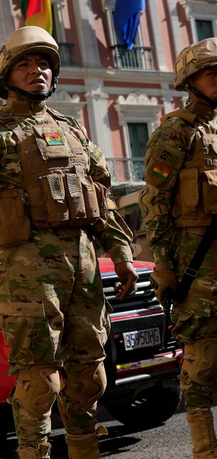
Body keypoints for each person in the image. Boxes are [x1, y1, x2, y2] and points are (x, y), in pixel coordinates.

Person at [0, 26, 137, 459]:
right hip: (27, 270)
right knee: (39, 379)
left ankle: (84, 450)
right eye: (25, 64)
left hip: (82, 265)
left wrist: (121, 253)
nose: (37, 71)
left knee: (91, 375)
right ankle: (34, 451)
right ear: (7, 74)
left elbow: (103, 197)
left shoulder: (73, 130)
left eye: (43, 63)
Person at [141, 37, 217, 459]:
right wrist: (166, 268)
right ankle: (206, 450)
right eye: (212, 73)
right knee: (202, 364)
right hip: (197, 268)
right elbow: (155, 203)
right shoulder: (177, 131)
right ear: (191, 81)